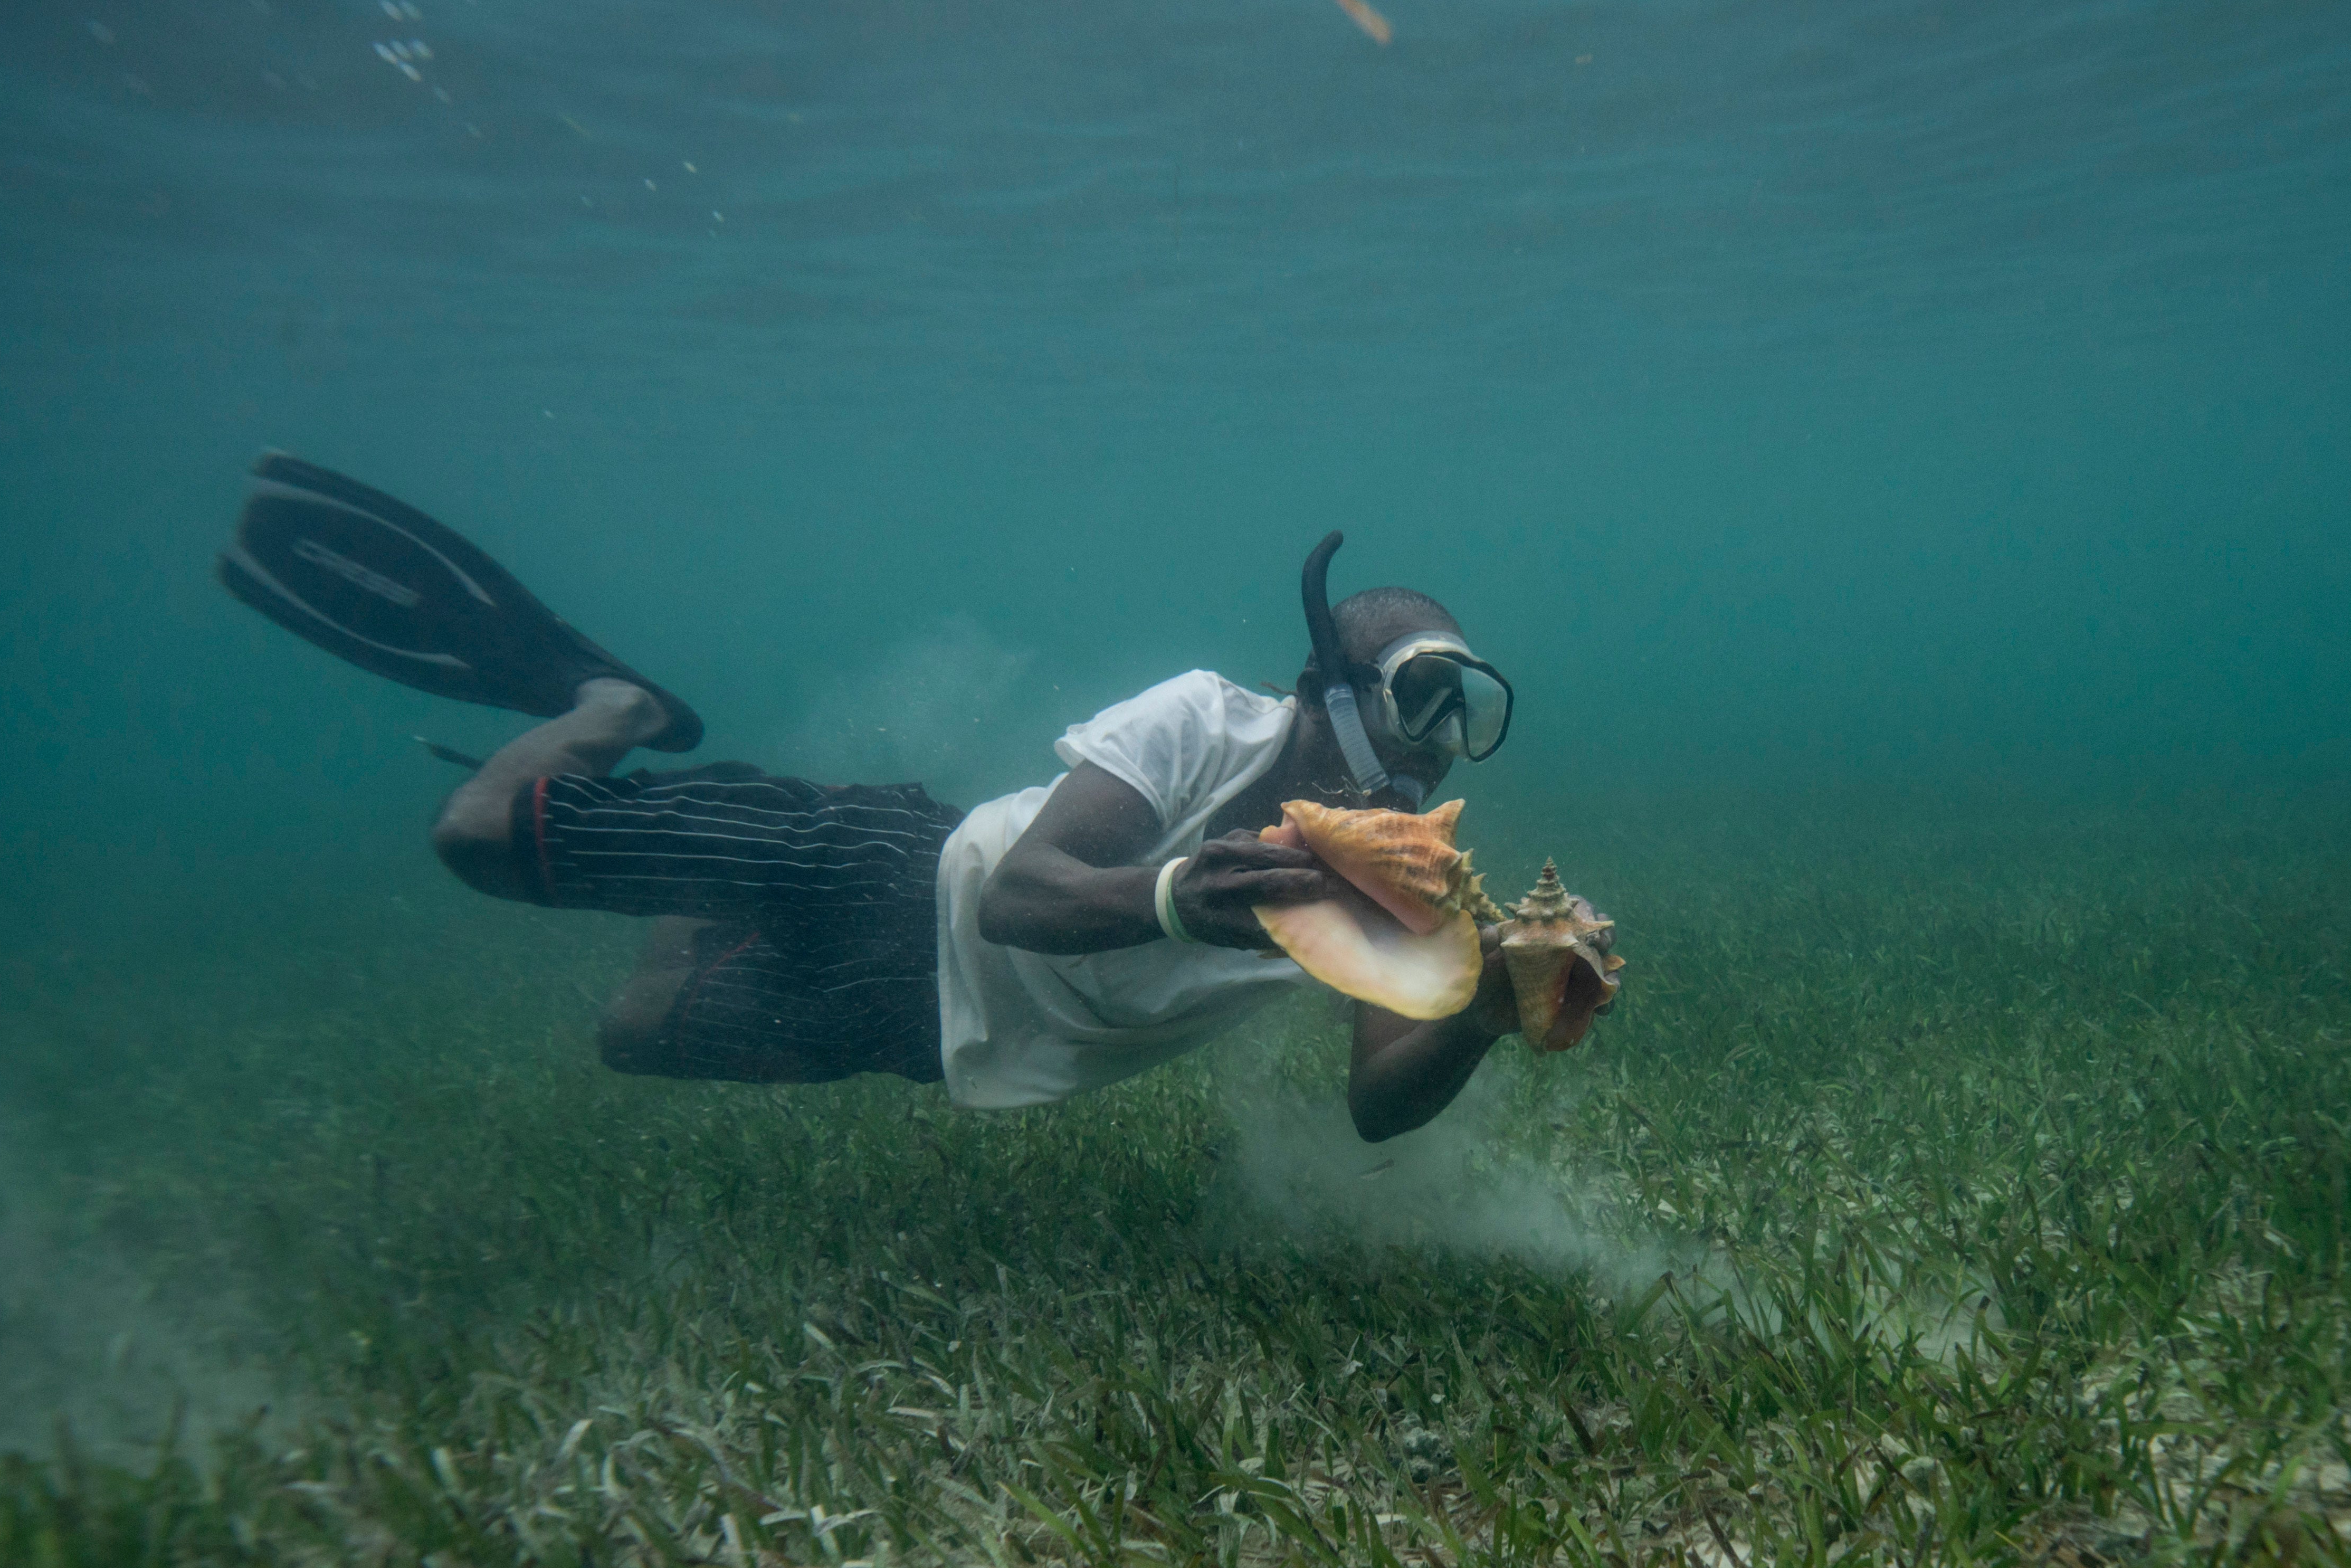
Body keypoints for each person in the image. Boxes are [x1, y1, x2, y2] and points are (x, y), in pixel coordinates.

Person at [215, 453, 1531, 1142]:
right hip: (882, 863)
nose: (1432, 754)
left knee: (631, 1032)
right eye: (1421, 699)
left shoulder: (1395, 896)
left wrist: (1482, 1012)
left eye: (1464, 720)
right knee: (477, 839)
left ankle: (704, 878)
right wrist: (1185, 898)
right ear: (1332, 687)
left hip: (925, 1025)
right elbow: (1021, 899)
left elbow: (1375, 1110)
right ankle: (612, 711)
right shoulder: (1200, 718)